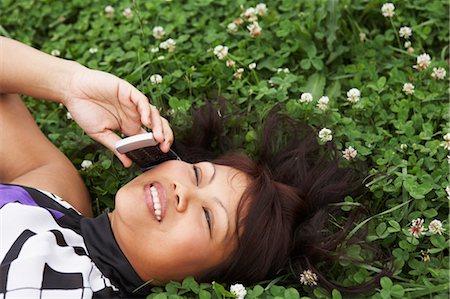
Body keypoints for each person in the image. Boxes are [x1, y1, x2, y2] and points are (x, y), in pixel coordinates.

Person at [0, 37, 385, 298]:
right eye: (199, 174)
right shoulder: (52, 197)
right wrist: (70, 82)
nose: (185, 191)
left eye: (206, 217)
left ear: (206, 281)